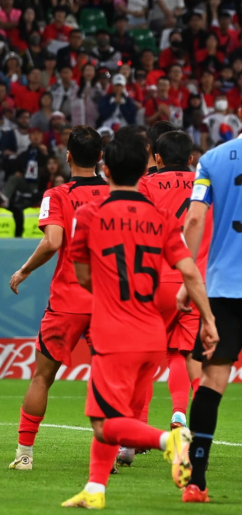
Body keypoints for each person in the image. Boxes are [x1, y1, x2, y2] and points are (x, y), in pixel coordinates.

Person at [63, 129, 217, 509]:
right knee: (128, 406)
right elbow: (191, 272)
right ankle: (95, 489)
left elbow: (82, 276)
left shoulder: (89, 214)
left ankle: (171, 440)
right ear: (142, 167)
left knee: (104, 422)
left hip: (114, 333)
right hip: (152, 333)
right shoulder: (162, 218)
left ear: (107, 168)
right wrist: (210, 320)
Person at [8, 126, 108, 470]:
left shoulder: (57, 194)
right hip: (108, 301)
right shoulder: (116, 194)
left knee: (42, 378)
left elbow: (52, 241)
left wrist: (24, 270)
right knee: (107, 378)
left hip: (67, 299)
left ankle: (24, 455)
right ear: (100, 158)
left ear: (67, 157)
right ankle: (107, 456)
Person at [175, 124, 242, 501]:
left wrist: (188, 279)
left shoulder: (213, 160)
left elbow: (195, 219)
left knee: (212, 384)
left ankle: (197, 481)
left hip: (223, 291)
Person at [139, 131, 212, 430]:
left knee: (142, 359)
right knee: (185, 354)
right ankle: (184, 416)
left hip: (155, 280)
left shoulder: (146, 183)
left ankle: (132, 435)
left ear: (157, 158)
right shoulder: (207, 185)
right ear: (191, 159)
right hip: (194, 281)